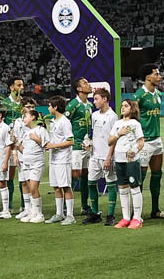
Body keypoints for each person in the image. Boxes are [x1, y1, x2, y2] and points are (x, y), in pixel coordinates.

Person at [132, 63, 164, 219]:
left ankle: (155, 210)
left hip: (157, 139)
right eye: (156, 74)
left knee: (157, 175)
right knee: (140, 177)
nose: (159, 77)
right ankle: (137, 212)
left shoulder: (159, 94)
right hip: (144, 141)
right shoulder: (138, 96)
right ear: (148, 77)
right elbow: (130, 118)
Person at [108, 98, 146, 229]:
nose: (122, 108)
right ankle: (125, 218)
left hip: (131, 161)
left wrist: (134, 151)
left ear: (132, 108)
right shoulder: (117, 124)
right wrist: (118, 134)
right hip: (119, 160)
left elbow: (141, 141)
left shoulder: (135, 124)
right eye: (122, 106)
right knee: (123, 188)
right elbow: (109, 141)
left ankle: (137, 218)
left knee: (134, 187)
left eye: (126, 106)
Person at [88, 88, 119, 225]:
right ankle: (95, 213)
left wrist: (109, 157)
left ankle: (110, 215)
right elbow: (94, 134)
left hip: (107, 156)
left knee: (111, 184)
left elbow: (114, 139)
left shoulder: (113, 117)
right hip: (94, 156)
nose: (94, 102)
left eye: (96, 99)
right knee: (91, 183)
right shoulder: (94, 115)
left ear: (105, 99)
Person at [66, 78, 96, 221]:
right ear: (78, 89)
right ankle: (67, 207)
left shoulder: (89, 105)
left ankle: (84, 206)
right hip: (75, 146)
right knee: (74, 175)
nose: (89, 85)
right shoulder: (73, 104)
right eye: (85, 83)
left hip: (86, 146)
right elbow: (64, 123)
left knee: (86, 176)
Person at [45, 96, 76, 224]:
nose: (48, 108)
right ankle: (59, 214)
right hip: (54, 158)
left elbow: (70, 141)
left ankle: (70, 215)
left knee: (66, 186)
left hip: (63, 159)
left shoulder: (64, 122)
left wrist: (54, 146)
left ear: (55, 107)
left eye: (50, 105)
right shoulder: (53, 121)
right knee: (56, 187)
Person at [17, 106, 50, 223]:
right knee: (29, 188)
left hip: (37, 163)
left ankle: (39, 214)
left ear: (33, 117)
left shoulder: (41, 130)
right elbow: (24, 150)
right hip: (26, 163)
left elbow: (47, 146)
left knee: (34, 187)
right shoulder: (26, 133)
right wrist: (16, 143)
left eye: (25, 116)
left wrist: (37, 139)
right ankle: (33, 212)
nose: (23, 118)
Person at [2, 77, 26, 214]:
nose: (21, 87)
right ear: (11, 88)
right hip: (9, 144)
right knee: (9, 175)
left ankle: (24, 205)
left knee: (23, 175)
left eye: (22, 85)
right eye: (18, 85)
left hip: (22, 143)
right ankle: (9, 205)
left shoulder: (24, 103)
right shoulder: (4, 103)